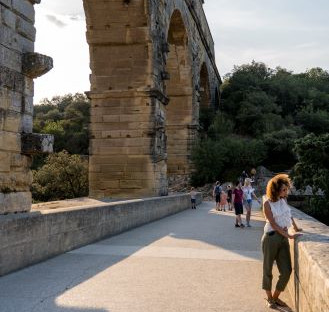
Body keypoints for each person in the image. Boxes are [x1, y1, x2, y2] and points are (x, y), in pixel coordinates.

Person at [262, 174, 302, 309]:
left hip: (283, 237)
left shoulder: (283, 201)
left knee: (286, 271)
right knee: (267, 269)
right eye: (283, 190)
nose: (286, 192)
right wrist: (288, 235)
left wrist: (296, 228)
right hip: (271, 237)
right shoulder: (267, 203)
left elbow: (289, 215)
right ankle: (269, 298)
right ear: (275, 190)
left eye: (286, 189)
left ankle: (275, 298)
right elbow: (273, 223)